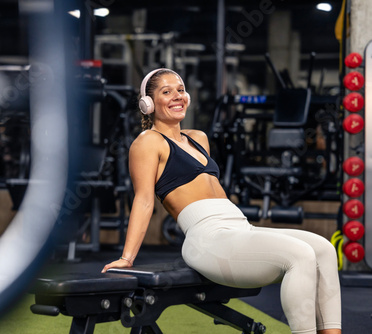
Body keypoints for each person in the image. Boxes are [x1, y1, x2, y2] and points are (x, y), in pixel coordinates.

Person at [101, 68, 342, 334]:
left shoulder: (198, 138)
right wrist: (127, 257)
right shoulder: (147, 142)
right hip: (208, 239)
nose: (177, 96)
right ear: (148, 104)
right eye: (166, 92)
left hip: (239, 228)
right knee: (301, 255)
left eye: (180, 90)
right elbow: (144, 200)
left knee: (323, 250)